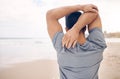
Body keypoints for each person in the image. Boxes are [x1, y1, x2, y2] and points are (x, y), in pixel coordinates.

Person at [46, 4, 107, 79]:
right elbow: (94, 13)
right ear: (85, 28)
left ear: (66, 29)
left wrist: (81, 7)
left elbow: (50, 15)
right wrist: (76, 28)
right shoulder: (98, 45)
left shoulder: (62, 46)